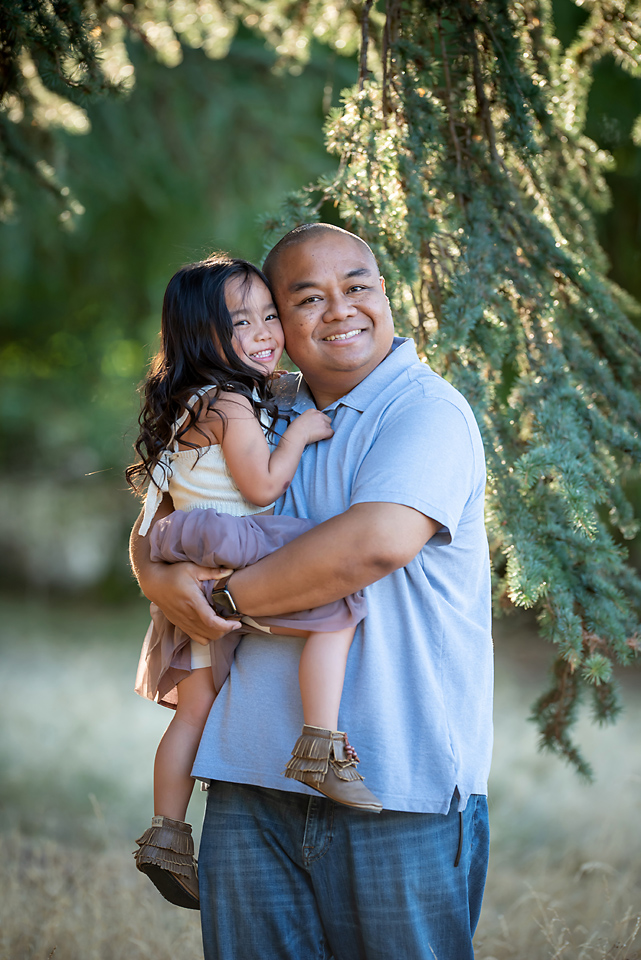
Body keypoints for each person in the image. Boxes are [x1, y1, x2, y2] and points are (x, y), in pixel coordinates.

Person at [130, 224, 493, 960]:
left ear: (387, 297)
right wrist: (155, 575)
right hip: (246, 781)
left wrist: (223, 603)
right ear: (279, 326)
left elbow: (372, 545)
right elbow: (163, 516)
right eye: (305, 299)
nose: (339, 310)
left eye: (357, 287)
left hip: (394, 786)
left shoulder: (423, 411)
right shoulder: (262, 406)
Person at [127, 254, 382, 911]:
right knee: (338, 591)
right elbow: (263, 486)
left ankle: (166, 834)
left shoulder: (192, 400)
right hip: (228, 542)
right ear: (202, 337)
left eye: (270, 314)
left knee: (194, 710)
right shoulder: (234, 405)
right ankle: (319, 743)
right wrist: (296, 433)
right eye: (241, 322)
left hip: (189, 548)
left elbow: (154, 512)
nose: (265, 331)